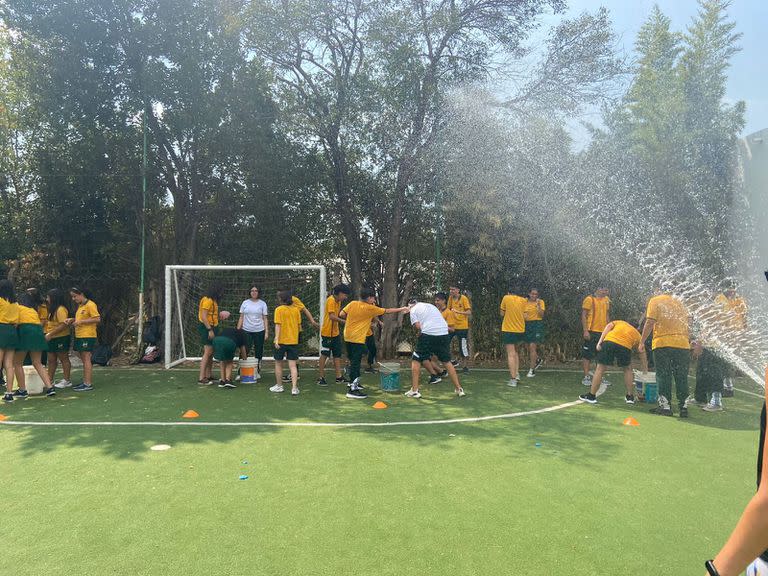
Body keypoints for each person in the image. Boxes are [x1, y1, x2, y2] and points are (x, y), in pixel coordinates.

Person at [338, 288, 408, 399]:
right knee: (356, 362)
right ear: (369, 298)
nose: (374, 299)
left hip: (348, 336)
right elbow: (387, 311)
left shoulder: (352, 303)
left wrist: (355, 319)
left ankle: (352, 381)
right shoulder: (370, 308)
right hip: (357, 338)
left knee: (354, 359)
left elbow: (341, 314)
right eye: (373, 297)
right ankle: (352, 390)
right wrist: (402, 308)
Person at [639, 284, 691, 417]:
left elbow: (650, 322)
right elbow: (688, 324)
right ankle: (683, 406)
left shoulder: (655, 300)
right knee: (681, 376)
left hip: (663, 343)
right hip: (683, 344)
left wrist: (642, 341)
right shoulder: (681, 302)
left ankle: (665, 406)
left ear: (659, 288)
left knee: (663, 374)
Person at [403, 298, 465, 399]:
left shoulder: (413, 310)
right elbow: (436, 320)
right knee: (447, 361)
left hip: (429, 334)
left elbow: (418, 326)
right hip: (444, 334)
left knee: (416, 358)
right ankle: (459, 389)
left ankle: (414, 391)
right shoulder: (430, 306)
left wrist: (422, 331)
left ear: (410, 305)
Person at [579, 320, 648, 405]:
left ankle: (591, 396)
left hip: (609, 342)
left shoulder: (620, 322)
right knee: (627, 369)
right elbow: (642, 352)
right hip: (625, 346)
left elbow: (608, 326)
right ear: (638, 328)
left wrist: (599, 342)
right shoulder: (638, 335)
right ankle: (630, 397)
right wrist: (645, 369)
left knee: (600, 368)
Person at [13, 293, 56, 397]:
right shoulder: (33, 310)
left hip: (25, 331)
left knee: (17, 363)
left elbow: (15, 323)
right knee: (37, 362)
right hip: (38, 332)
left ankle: (22, 390)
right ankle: (50, 387)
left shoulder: (17, 307)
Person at [715, 283, 747, 398]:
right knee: (725, 361)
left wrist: (743, 332)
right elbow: (717, 316)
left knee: (725, 361)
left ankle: (727, 387)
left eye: (734, 289)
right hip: (726, 334)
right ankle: (728, 387)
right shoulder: (721, 299)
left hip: (734, 334)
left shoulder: (739, 300)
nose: (732, 292)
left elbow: (744, 317)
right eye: (730, 289)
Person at [66, 287, 101, 392]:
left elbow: (97, 318)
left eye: (74, 296)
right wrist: (72, 320)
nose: (73, 299)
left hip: (87, 335)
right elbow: (81, 319)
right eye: (72, 297)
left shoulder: (91, 304)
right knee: (84, 358)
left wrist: (81, 322)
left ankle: (87, 384)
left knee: (86, 358)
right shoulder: (81, 306)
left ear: (81, 294)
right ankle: (85, 381)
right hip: (80, 335)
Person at [280, 292, 320, 383]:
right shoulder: (281, 305)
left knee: (292, 353)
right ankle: (294, 373)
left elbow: (304, 309)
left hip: (295, 331)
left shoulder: (294, 300)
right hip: (285, 331)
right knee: (287, 353)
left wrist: (312, 321)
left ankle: (295, 373)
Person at [317, 284, 350, 386]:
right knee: (325, 354)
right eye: (345, 295)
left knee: (337, 355)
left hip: (335, 333)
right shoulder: (331, 300)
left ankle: (339, 377)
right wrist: (344, 322)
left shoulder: (338, 301)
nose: (346, 297)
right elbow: (332, 316)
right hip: (327, 333)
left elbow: (337, 315)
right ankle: (321, 377)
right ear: (339, 293)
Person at [271, 289, 302, 396]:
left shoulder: (278, 310)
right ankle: (294, 388)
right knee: (292, 365)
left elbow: (278, 325)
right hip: (293, 341)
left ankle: (279, 386)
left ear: (281, 299)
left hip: (281, 341)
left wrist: (276, 339)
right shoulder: (296, 310)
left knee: (278, 364)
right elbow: (299, 326)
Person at [581, 287, 611, 386]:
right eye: (605, 290)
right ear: (598, 289)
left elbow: (607, 315)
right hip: (591, 331)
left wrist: (609, 329)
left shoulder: (606, 300)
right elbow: (583, 316)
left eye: (607, 290)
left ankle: (600, 377)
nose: (607, 291)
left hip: (602, 332)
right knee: (587, 355)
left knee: (601, 355)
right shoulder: (589, 299)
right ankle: (586, 376)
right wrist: (585, 331)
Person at [237, 285, 269, 379]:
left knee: (258, 351)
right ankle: (240, 372)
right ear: (249, 292)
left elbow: (265, 318)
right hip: (246, 330)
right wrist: (238, 330)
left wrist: (266, 332)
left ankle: (257, 372)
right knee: (244, 350)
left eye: (256, 290)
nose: (254, 292)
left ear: (259, 292)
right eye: (252, 290)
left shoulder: (262, 304)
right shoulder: (245, 303)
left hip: (260, 330)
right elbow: (241, 317)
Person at [500, 288, 528, 387]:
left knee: (510, 354)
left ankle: (513, 379)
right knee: (516, 352)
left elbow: (502, 313)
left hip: (509, 329)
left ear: (509, 292)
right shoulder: (524, 300)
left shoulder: (506, 298)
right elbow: (525, 317)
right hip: (520, 330)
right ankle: (516, 374)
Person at [46, 288, 73, 389]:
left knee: (63, 358)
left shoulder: (61, 309)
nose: (47, 299)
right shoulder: (52, 309)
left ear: (54, 298)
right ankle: (49, 380)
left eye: (48, 297)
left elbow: (63, 325)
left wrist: (50, 334)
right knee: (51, 359)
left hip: (61, 337)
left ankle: (66, 380)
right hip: (52, 337)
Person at [197, 285, 223, 385]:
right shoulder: (208, 300)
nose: (221, 294)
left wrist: (219, 315)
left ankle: (208, 375)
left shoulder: (213, 300)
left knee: (211, 352)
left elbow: (211, 315)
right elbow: (203, 316)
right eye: (220, 291)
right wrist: (209, 329)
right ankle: (201, 378)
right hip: (207, 327)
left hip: (213, 326)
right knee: (207, 352)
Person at [0, 279, 19, 403]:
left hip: (1, 328)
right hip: (12, 331)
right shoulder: (15, 303)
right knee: (9, 364)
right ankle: (9, 393)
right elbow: (17, 322)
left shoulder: (0, 301)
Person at [447, 285, 472, 372]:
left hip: (462, 327)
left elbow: (469, 312)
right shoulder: (450, 298)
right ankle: (453, 360)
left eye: (453, 289)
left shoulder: (464, 298)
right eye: (450, 289)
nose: (451, 291)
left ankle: (465, 367)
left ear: (458, 290)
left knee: (463, 347)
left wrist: (458, 312)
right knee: (445, 342)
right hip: (452, 326)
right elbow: (448, 310)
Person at [524, 288, 545, 378]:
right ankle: (538, 359)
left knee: (532, 346)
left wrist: (538, 306)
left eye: (536, 294)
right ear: (529, 294)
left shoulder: (540, 302)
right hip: (526, 325)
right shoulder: (524, 301)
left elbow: (541, 315)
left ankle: (532, 370)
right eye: (532, 294)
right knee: (527, 346)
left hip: (536, 324)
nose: (534, 296)